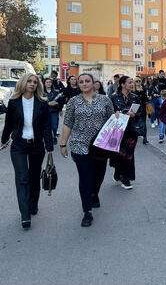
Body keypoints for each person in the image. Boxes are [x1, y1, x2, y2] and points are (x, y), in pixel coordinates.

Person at [60, 73, 114, 227]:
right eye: (81, 82)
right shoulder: (73, 102)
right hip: (79, 144)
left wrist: (121, 116)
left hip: (100, 145)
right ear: (78, 84)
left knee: (99, 175)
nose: (84, 84)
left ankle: (94, 192)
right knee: (85, 176)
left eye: (87, 81)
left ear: (93, 83)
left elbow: (111, 120)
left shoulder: (105, 100)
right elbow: (67, 123)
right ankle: (87, 211)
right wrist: (63, 144)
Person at [1, 73, 53, 230]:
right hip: (19, 146)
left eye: (35, 82)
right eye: (29, 81)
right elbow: (8, 124)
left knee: (34, 177)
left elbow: (46, 126)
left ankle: (33, 202)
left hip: (36, 145)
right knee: (22, 178)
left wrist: (49, 148)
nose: (32, 84)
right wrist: (4, 139)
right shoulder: (14, 102)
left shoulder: (42, 103)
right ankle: (25, 215)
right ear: (23, 83)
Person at [110, 76, 142, 189]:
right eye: (129, 82)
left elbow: (140, 114)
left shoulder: (135, 97)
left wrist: (134, 115)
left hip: (132, 130)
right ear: (123, 84)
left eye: (132, 82)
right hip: (118, 130)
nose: (132, 84)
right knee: (119, 154)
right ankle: (118, 171)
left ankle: (125, 178)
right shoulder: (114, 98)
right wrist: (118, 113)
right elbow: (109, 113)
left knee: (128, 154)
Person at [44, 78, 63, 145]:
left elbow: (60, 102)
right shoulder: (41, 92)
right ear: (44, 83)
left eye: (50, 82)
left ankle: (54, 136)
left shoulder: (56, 92)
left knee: (54, 126)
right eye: (47, 82)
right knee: (46, 126)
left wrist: (59, 108)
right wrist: (48, 103)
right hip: (45, 112)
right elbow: (40, 102)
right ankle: (48, 138)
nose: (48, 83)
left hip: (54, 111)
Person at [133, 76, 149, 144]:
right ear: (134, 82)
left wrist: (146, 97)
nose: (139, 83)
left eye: (140, 81)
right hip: (135, 108)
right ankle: (135, 136)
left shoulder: (143, 89)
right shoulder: (132, 90)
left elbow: (146, 99)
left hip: (142, 108)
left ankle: (145, 138)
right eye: (137, 81)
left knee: (144, 123)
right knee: (135, 122)